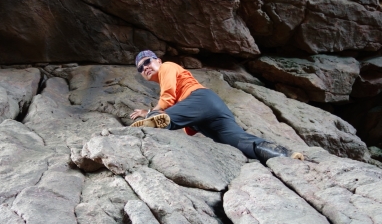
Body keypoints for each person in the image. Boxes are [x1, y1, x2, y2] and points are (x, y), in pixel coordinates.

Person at [129, 50, 303, 164]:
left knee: (160, 119)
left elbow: (167, 97)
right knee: (240, 141)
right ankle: (286, 156)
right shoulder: (168, 79)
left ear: (158, 61)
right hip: (210, 112)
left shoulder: (167, 67)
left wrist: (151, 114)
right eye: (140, 68)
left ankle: (150, 123)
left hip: (201, 100)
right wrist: (154, 113)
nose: (145, 67)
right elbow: (183, 118)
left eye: (147, 62)